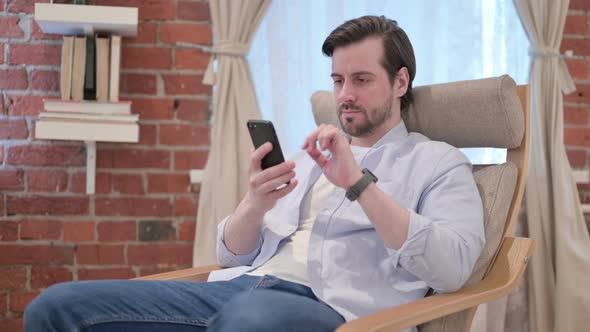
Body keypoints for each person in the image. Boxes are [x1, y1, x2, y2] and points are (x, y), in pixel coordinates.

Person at [24, 15, 484, 332]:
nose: (345, 94)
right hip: (241, 289)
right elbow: (231, 256)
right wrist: (255, 202)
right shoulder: (310, 157)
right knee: (56, 308)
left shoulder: (439, 163)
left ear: (400, 82)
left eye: (361, 80)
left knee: (250, 320)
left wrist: (358, 184)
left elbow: (453, 268)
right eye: (338, 80)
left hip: (331, 309)